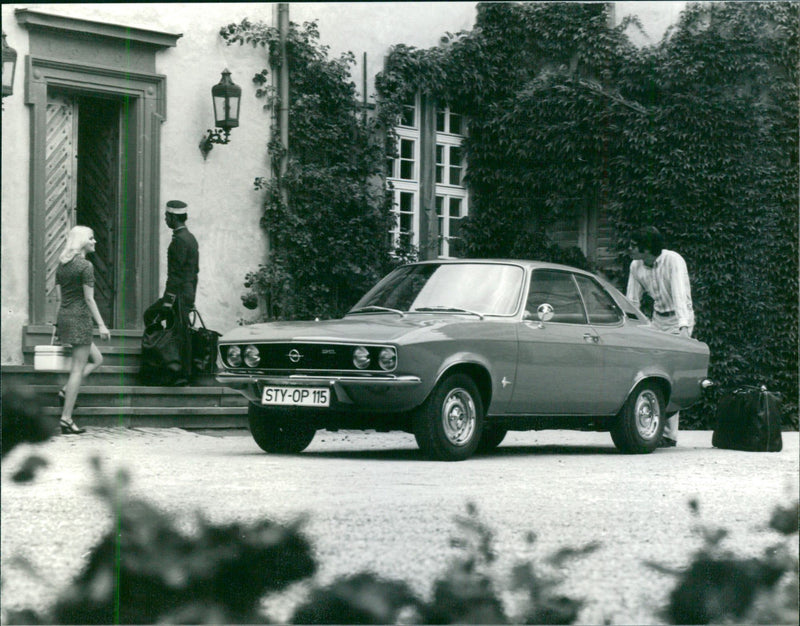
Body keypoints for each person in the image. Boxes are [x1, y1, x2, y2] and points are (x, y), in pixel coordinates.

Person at [626, 225, 695, 448]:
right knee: (654, 371)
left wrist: (683, 328)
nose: (629, 249)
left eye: (633, 246)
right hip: (657, 319)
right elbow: (632, 300)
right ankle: (653, 429)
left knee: (671, 373)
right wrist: (631, 328)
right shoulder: (635, 266)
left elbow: (680, 294)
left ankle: (669, 435)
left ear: (646, 248)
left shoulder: (673, 260)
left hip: (678, 319)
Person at [55, 226, 111, 434]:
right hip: (80, 320)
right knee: (77, 370)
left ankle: (65, 391)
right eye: (91, 238)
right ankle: (66, 418)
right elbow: (89, 299)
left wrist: (58, 324)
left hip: (65, 317)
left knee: (97, 359)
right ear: (82, 241)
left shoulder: (62, 265)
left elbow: (60, 299)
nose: (94, 241)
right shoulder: (85, 266)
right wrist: (102, 324)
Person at [143, 200, 199, 385]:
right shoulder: (190, 238)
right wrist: (191, 296)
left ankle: (177, 373)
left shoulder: (179, 241)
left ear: (173, 218)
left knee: (158, 320)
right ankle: (172, 370)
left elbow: (175, 275)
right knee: (180, 331)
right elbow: (195, 272)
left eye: (167, 216)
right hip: (186, 292)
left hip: (178, 294)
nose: (165, 219)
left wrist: (168, 301)